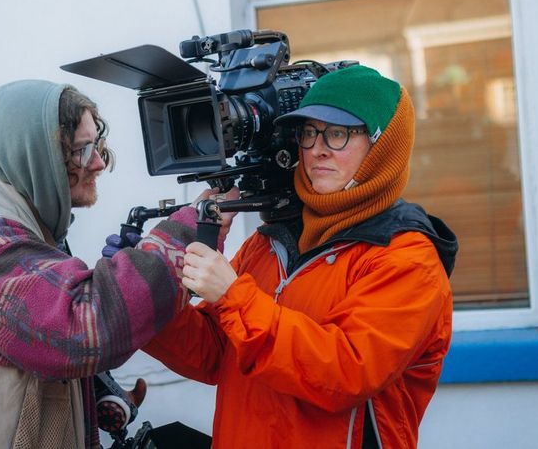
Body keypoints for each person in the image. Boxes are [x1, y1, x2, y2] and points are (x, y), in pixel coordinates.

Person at [0, 80, 231, 449]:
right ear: (36, 157)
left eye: (97, 144)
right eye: (82, 151)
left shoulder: (20, 218)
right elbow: (82, 328)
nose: (98, 162)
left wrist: (95, 395)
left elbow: (24, 347)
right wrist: (188, 230)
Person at [143, 65, 458, 448]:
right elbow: (214, 354)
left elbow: (345, 372)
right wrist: (146, 296)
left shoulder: (407, 257)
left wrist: (231, 296)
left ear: (382, 146)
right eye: (309, 133)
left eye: (338, 134)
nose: (318, 148)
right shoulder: (271, 241)